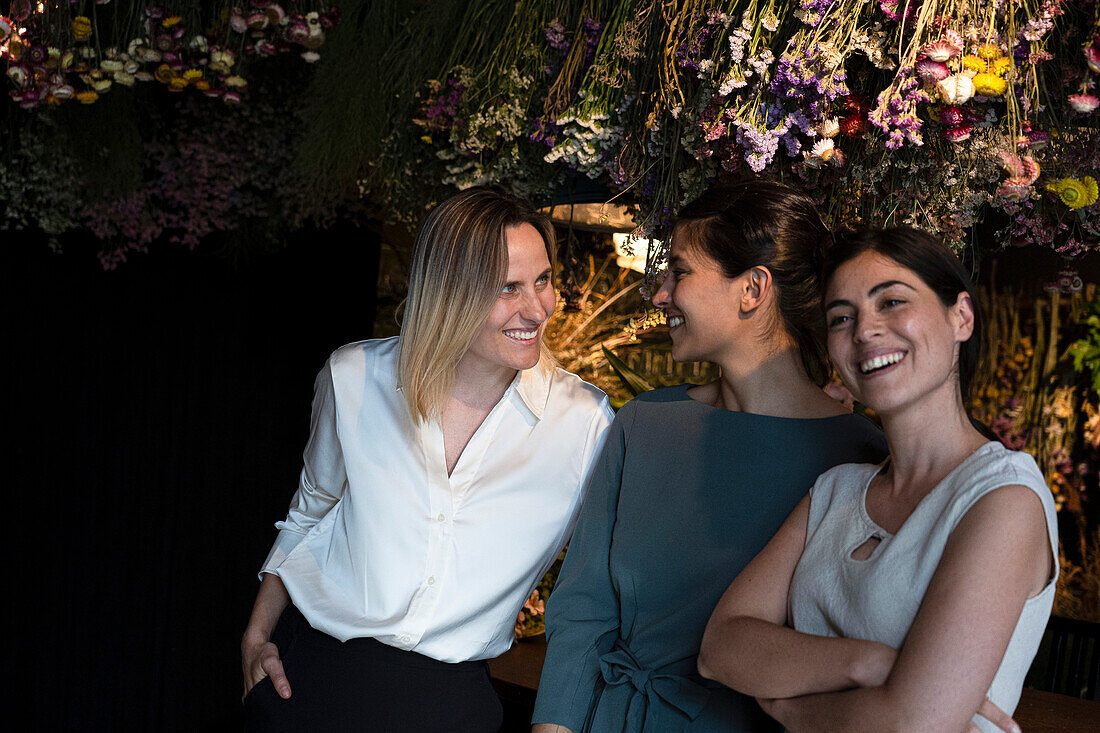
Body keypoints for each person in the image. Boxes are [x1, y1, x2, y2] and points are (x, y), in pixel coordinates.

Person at [240, 187, 614, 732]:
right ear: (450, 293)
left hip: (448, 704)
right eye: (508, 288)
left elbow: (595, 594)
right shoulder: (354, 378)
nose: (537, 309)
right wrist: (254, 637)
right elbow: (311, 510)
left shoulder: (584, 425)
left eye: (543, 280)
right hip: (309, 683)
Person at [532, 181, 887, 733]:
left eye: (680, 272)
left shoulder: (859, 457)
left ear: (752, 289)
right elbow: (583, 612)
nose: (660, 294)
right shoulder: (644, 425)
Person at [698, 227, 1057, 733]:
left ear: (961, 316)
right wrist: (868, 663)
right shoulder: (836, 491)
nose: (865, 330)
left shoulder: (1003, 498)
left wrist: (791, 709)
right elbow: (721, 647)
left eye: (891, 301)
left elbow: (912, 724)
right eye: (842, 317)